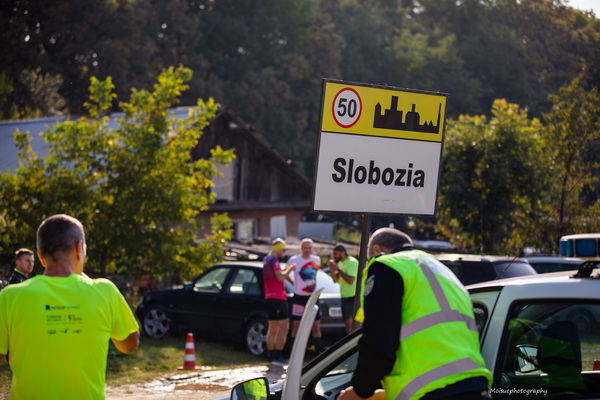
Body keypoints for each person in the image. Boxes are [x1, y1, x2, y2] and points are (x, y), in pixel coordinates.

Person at [338, 228, 492, 400]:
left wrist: (360, 390)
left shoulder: (388, 265)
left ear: (377, 250)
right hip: (475, 385)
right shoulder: (441, 271)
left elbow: (378, 340)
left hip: (431, 392)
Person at [0, 214, 140, 399]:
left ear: (40, 256)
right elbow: (130, 344)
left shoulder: (9, 297)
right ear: (79, 248)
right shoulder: (105, 291)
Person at [288, 238, 323, 353]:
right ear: (301, 248)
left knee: (315, 325)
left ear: (312, 249)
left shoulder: (316, 259)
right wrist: (293, 283)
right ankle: (293, 352)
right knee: (297, 325)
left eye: (309, 248)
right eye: (305, 248)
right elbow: (285, 273)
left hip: (312, 296)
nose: (307, 250)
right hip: (299, 296)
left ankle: (317, 353)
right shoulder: (294, 260)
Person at [262, 238, 294, 365]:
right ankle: (278, 356)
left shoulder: (267, 259)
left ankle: (270, 356)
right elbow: (280, 277)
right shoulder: (274, 260)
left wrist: (292, 281)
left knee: (273, 327)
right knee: (283, 327)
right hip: (278, 297)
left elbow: (279, 276)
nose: (284, 252)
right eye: (283, 249)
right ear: (278, 249)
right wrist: (290, 268)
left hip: (269, 297)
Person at [328, 244, 359, 335]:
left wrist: (338, 269)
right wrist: (332, 269)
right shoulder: (340, 263)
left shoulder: (352, 262)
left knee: (351, 326)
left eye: (336, 253)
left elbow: (350, 280)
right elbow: (336, 280)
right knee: (347, 326)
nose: (334, 256)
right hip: (344, 296)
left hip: (352, 297)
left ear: (343, 253)